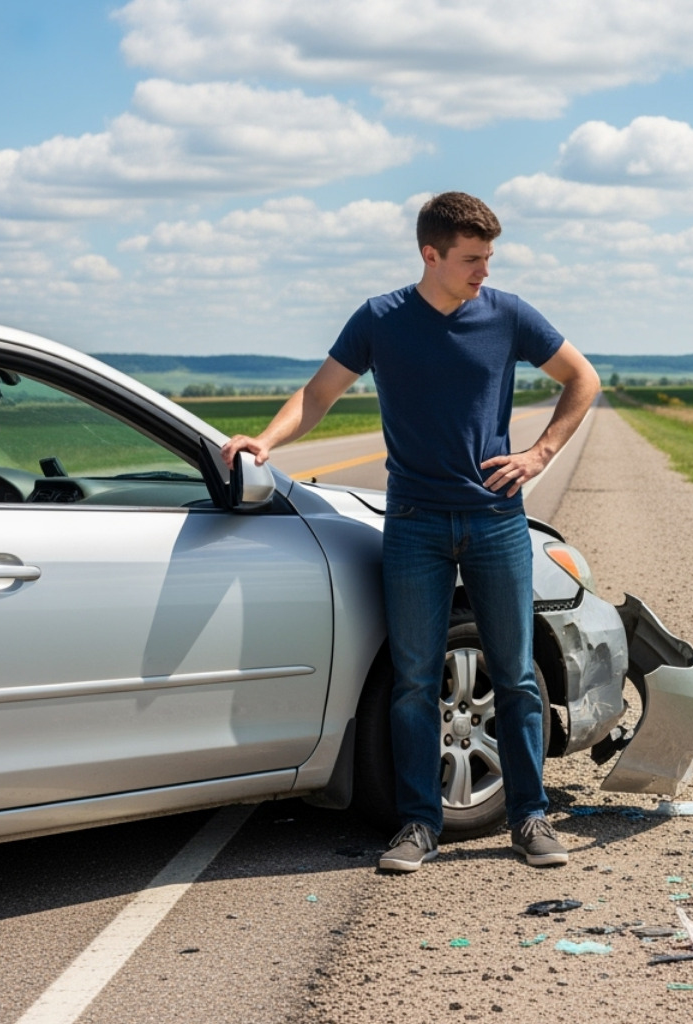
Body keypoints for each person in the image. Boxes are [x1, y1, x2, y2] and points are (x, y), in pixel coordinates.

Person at [222, 192, 599, 873]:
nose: (484, 270)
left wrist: (539, 455)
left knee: (514, 677)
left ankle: (530, 816)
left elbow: (583, 379)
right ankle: (419, 824)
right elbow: (318, 394)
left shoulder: (508, 314)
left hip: (494, 519)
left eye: (488, 258)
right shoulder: (381, 319)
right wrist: (267, 441)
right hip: (416, 525)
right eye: (471, 259)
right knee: (414, 682)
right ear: (431, 255)